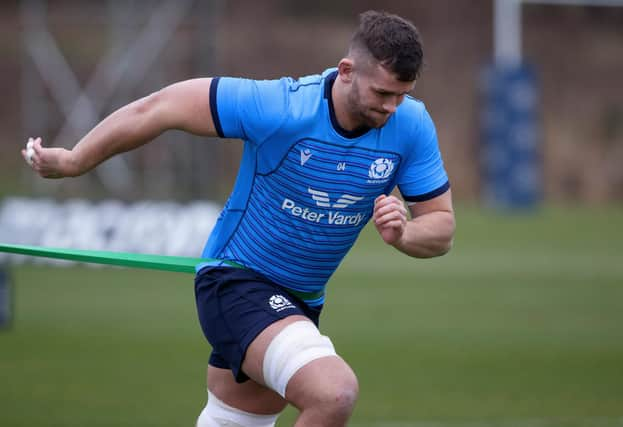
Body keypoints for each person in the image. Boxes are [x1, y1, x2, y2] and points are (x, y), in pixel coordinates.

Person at [22, 10, 455, 427]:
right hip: (236, 281)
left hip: (301, 302)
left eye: (403, 94)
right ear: (345, 70)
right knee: (333, 393)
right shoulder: (281, 107)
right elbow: (159, 107)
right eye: (383, 93)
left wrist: (404, 234)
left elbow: (441, 229)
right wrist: (75, 160)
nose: (393, 107)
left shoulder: (411, 125)